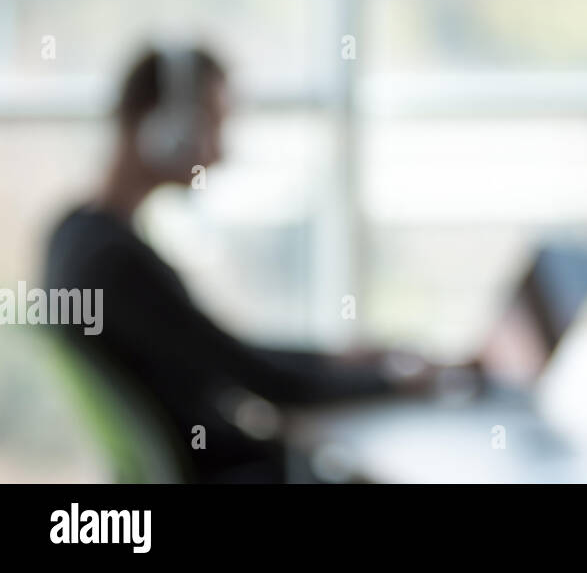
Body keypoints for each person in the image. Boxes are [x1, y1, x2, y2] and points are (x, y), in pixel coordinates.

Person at [44, 45, 470, 482]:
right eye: (212, 123)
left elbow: (222, 351)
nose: (220, 153)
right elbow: (260, 379)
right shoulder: (115, 263)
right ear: (162, 126)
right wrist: (393, 382)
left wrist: (338, 361)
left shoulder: (74, 233)